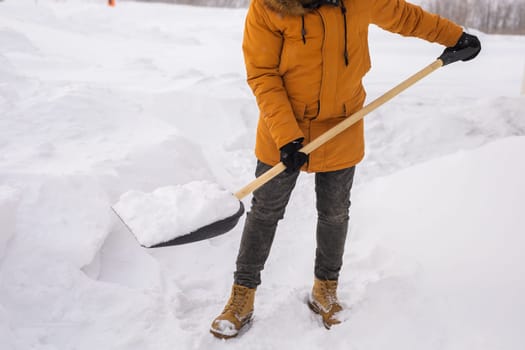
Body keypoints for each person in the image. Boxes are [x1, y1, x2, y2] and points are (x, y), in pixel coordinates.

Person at [210, 0, 480, 338]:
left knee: (335, 212)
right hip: (284, 126)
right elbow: (262, 73)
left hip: (344, 122)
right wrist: (287, 136)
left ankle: (325, 289)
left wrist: (453, 36)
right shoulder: (269, 7)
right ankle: (242, 296)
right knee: (265, 211)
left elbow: (403, 16)